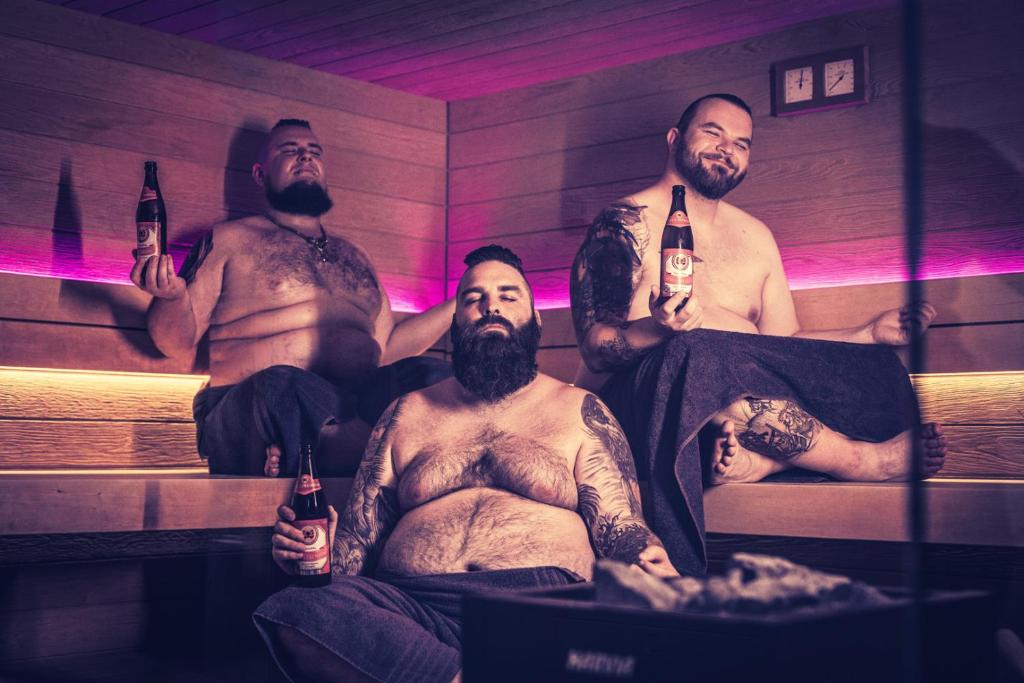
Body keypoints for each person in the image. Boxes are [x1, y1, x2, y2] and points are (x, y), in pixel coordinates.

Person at [254, 245, 678, 683]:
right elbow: (357, 548)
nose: (490, 305)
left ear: (535, 319)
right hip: (412, 609)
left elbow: (619, 525)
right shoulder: (405, 413)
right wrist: (312, 555)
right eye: (473, 298)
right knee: (294, 608)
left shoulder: (579, 410)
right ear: (455, 323)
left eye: (508, 295)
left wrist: (648, 557)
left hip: (540, 604)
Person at [570, 93, 947, 490]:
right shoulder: (624, 223)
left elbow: (783, 346)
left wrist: (866, 335)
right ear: (674, 139)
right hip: (639, 411)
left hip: (730, 408)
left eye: (741, 143)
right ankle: (858, 459)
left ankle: (766, 463)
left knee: (877, 364)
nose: (726, 149)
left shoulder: (756, 236)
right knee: (696, 352)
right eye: (712, 133)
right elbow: (596, 353)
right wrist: (663, 329)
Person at [130, 119, 453, 477]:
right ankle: (375, 456)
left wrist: (464, 300)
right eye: (289, 150)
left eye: (314, 152)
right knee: (282, 383)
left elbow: (387, 347)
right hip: (255, 411)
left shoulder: (355, 254)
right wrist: (172, 298)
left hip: (353, 405)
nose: (305, 157)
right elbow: (175, 343)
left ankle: (337, 451)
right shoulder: (229, 240)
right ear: (259, 174)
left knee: (436, 375)